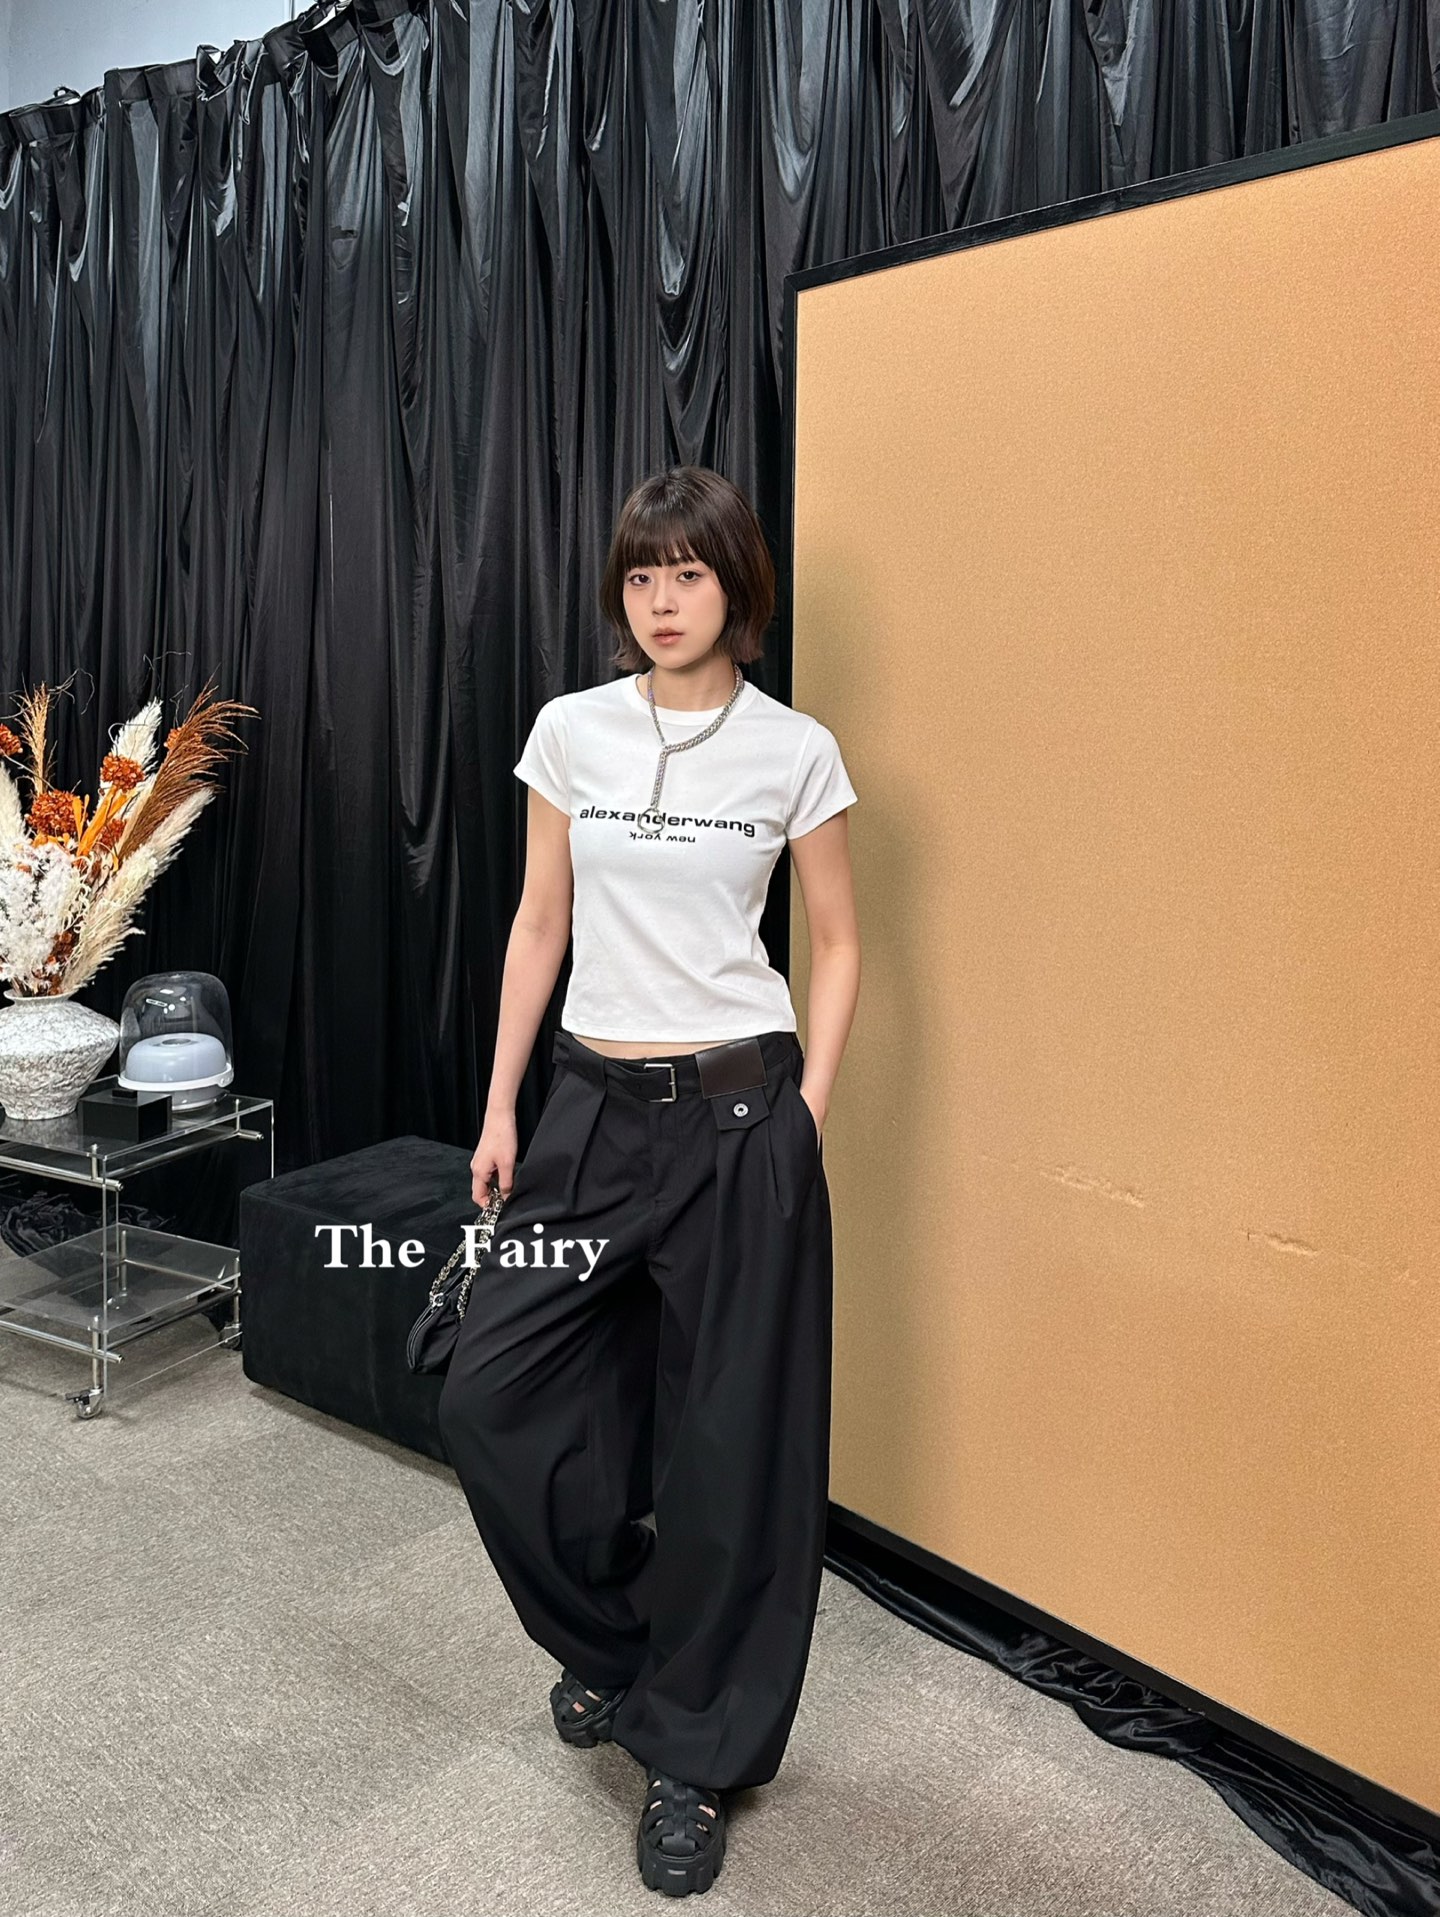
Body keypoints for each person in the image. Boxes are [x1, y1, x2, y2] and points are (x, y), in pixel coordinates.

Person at [437, 464, 861, 1898]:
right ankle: (622, 1645)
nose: (662, 601)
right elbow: (538, 919)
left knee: (731, 1444)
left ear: (739, 586)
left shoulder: (795, 750)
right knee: (491, 1395)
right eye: (640, 575)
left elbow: (837, 942)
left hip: (740, 1118)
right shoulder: (574, 730)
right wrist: (502, 1104)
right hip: (589, 1116)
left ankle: (694, 1747)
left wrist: (804, 1113)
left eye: (688, 573)